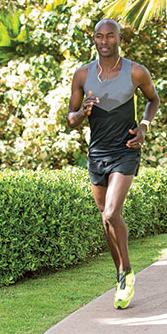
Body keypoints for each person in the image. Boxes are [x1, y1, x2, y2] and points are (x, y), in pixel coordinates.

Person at [67, 18, 160, 309]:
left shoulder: (135, 71)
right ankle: (120, 271)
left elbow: (153, 100)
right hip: (97, 154)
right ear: (93, 40)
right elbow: (71, 119)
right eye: (99, 36)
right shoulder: (82, 75)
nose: (104, 41)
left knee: (111, 212)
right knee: (105, 219)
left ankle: (127, 271)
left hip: (125, 150)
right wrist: (82, 113)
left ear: (119, 38)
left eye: (110, 36)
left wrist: (143, 127)